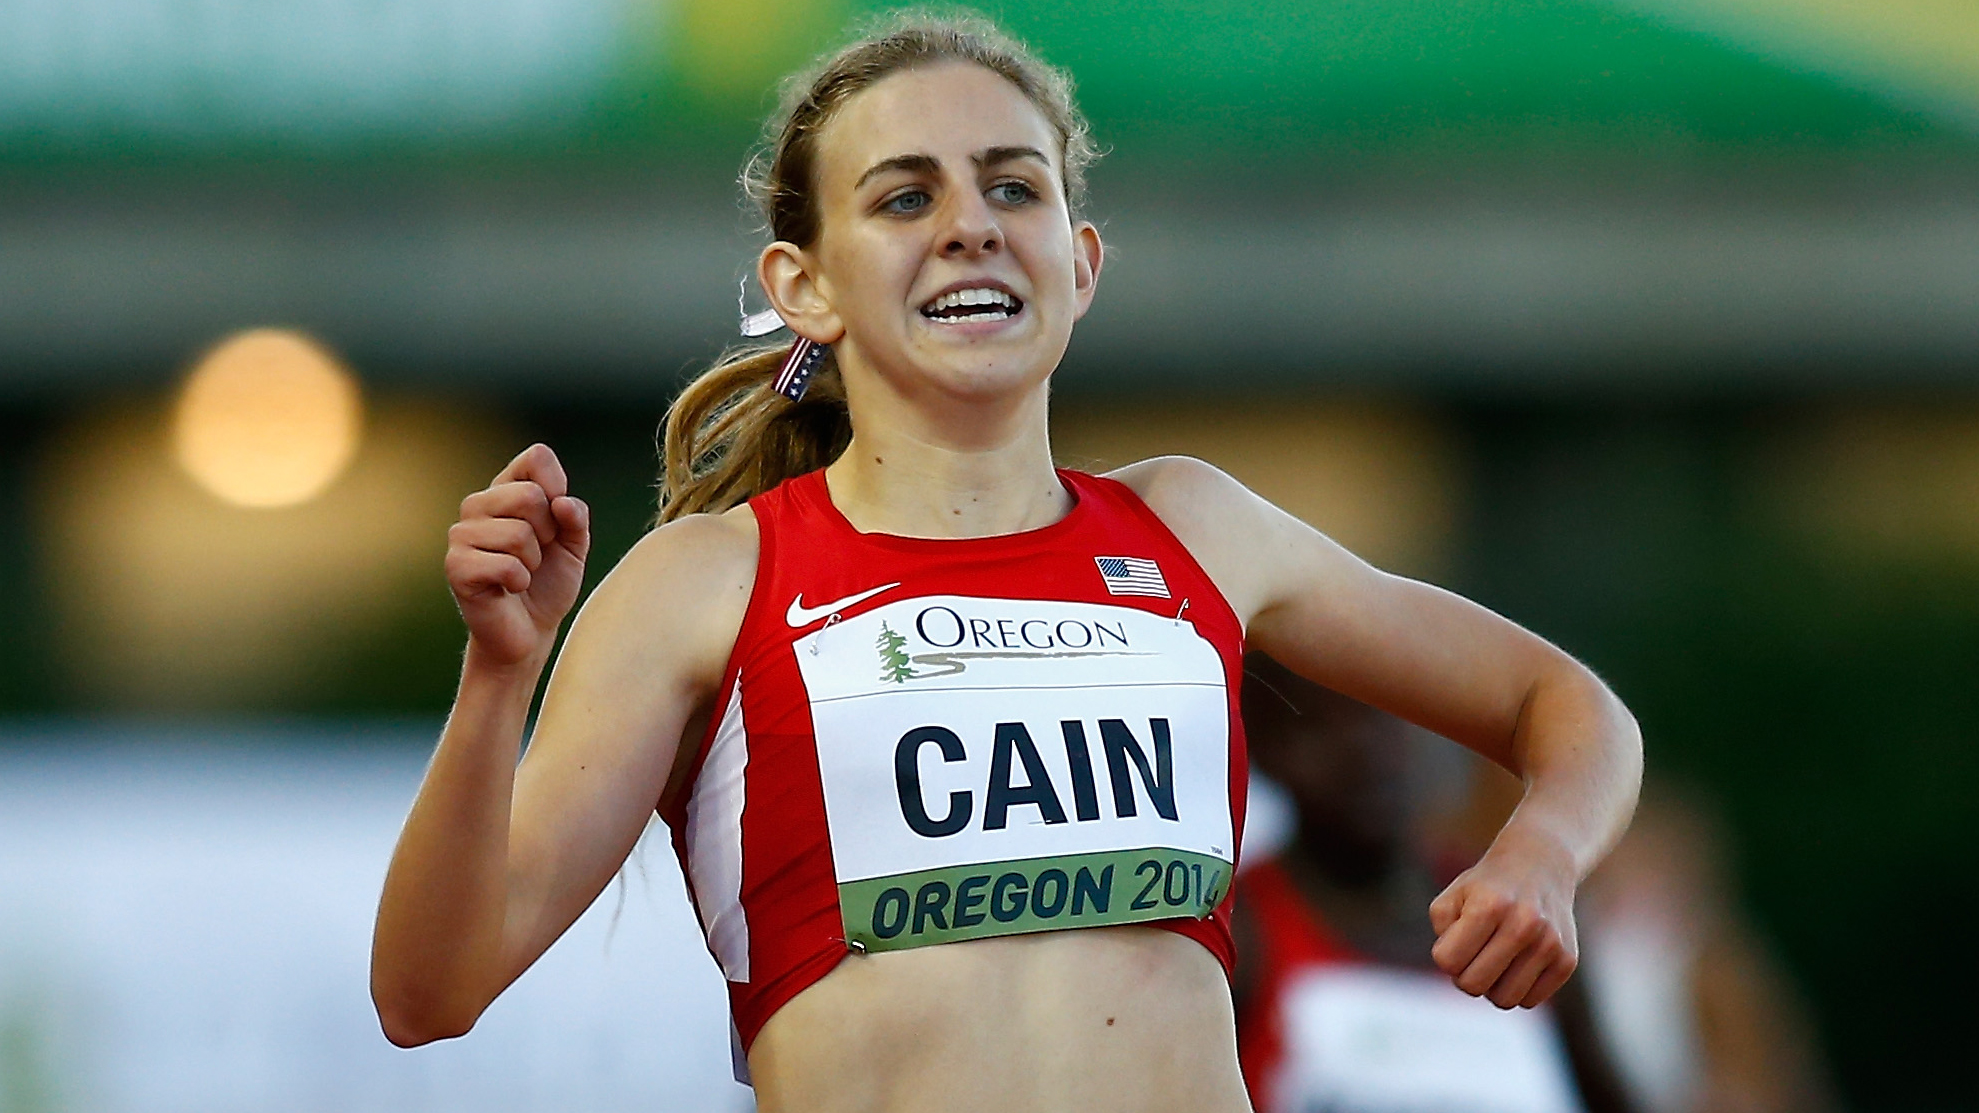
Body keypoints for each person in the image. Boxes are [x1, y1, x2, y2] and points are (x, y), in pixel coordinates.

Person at [368, 16, 1643, 1113]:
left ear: (1079, 265)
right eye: (904, 198)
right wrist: (498, 678)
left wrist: (1541, 851)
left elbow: (1568, 709)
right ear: (803, 285)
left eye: (1012, 188)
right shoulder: (706, 581)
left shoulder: (1195, 529)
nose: (970, 227)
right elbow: (429, 993)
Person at [1234, 653, 1637, 1113]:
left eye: (1388, 716)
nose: (1365, 750)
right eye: (1319, 725)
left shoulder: (1523, 914)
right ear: (1261, 748)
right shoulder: (1240, 931)